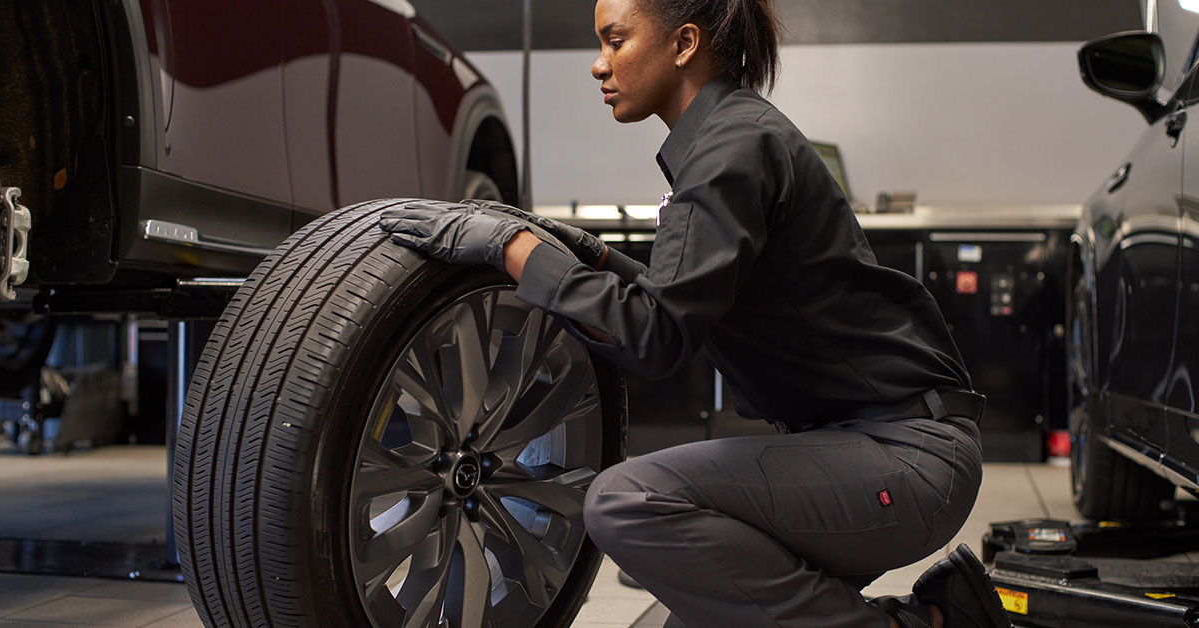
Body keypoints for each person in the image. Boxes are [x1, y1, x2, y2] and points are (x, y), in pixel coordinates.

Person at [378, 1, 1013, 627]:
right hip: (867, 449)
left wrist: (512, 248)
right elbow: (673, 296)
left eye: (615, 41)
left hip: (904, 459)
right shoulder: (729, 139)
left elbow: (654, 337)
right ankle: (944, 612)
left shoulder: (728, 152)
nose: (598, 66)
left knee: (624, 502)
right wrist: (588, 256)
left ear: (684, 44)